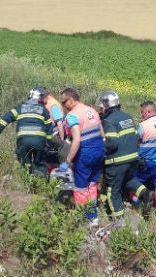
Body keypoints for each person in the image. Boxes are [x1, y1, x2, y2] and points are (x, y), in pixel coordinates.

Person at [96, 90, 152, 220]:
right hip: (133, 159)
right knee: (128, 180)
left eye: (101, 106)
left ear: (107, 105)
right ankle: (145, 193)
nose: (100, 109)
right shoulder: (128, 116)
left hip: (117, 162)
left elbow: (111, 143)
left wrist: (99, 146)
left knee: (112, 191)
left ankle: (118, 221)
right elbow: (136, 137)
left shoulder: (108, 121)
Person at [59, 88, 105, 225]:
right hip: (100, 151)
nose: (63, 105)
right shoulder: (91, 110)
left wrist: (67, 161)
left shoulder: (72, 115)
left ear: (71, 100)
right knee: (92, 185)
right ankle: (93, 217)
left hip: (85, 153)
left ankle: (82, 219)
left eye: (63, 102)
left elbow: (77, 139)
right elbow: (102, 134)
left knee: (80, 187)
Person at [0, 87, 54, 177]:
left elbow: (5, 119)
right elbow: (49, 129)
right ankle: (41, 186)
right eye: (44, 98)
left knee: (24, 164)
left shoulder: (20, 108)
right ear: (39, 98)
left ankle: (26, 184)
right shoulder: (44, 110)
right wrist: (49, 144)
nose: (46, 101)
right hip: (39, 142)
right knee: (40, 164)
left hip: (23, 140)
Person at [37, 86, 66, 169]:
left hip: (55, 135)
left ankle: (55, 174)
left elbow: (60, 124)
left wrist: (62, 141)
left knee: (53, 157)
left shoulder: (53, 105)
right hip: (49, 135)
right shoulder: (45, 103)